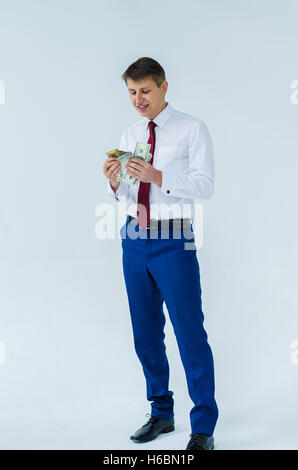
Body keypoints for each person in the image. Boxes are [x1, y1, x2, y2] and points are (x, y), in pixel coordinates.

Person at [103, 57, 218, 451]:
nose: (139, 100)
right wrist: (116, 183)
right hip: (134, 237)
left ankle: (202, 426)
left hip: (174, 239)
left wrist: (160, 177)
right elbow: (129, 193)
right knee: (145, 332)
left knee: (189, 332)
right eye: (132, 93)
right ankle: (162, 412)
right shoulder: (131, 131)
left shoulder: (191, 128)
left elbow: (205, 185)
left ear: (164, 88)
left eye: (145, 91)